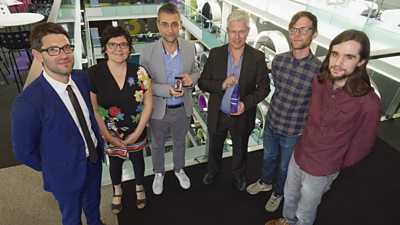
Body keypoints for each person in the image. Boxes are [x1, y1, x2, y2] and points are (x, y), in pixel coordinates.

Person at [265, 29, 382, 225]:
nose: (338, 63)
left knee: (306, 211)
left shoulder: (368, 103)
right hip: (299, 154)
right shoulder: (320, 82)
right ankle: (286, 221)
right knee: (289, 196)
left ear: (361, 61)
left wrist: (334, 163)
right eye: (335, 54)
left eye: (348, 57)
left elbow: (362, 145)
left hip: (322, 168)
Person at [12, 22, 105, 225]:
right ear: (38, 55)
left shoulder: (81, 78)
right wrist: (54, 167)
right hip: (64, 174)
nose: (63, 55)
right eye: (53, 50)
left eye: (66, 48)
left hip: (94, 161)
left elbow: (89, 115)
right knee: (72, 218)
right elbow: (23, 151)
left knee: (93, 206)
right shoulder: (28, 102)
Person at [246, 11, 321, 212]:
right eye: (293, 29)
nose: (297, 34)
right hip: (272, 122)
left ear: (314, 34)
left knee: (286, 167)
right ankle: (265, 182)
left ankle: (279, 192)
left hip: (294, 130)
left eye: (303, 29)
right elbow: (277, 88)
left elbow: (317, 104)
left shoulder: (319, 71)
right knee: (268, 157)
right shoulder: (279, 61)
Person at [199, 9, 270, 192]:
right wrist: (221, 85)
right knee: (214, 146)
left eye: (241, 32)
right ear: (227, 31)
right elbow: (203, 82)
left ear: (247, 32)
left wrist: (245, 104)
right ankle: (212, 171)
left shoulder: (257, 57)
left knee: (240, 148)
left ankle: (239, 175)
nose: (237, 36)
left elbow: (264, 88)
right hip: (219, 114)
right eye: (233, 32)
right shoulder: (215, 54)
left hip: (242, 115)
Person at [87, 25, 153, 213]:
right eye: (113, 44)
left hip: (137, 129)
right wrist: (107, 135)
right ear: (105, 47)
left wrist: (138, 132)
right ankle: (117, 190)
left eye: (123, 44)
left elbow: (149, 104)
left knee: (138, 159)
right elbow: (93, 109)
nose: (118, 48)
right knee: (114, 163)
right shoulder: (94, 73)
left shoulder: (140, 71)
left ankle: (139, 187)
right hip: (110, 132)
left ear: (130, 48)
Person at [139, 2, 200, 195]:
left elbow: (197, 71)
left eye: (174, 24)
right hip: (158, 109)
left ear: (180, 24)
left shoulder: (190, 48)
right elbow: (144, 85)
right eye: (165, 24)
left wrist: (193, 78)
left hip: (183, 108)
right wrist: (167, 90)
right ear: (158, 25)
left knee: (180, 142)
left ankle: (179, 169)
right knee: (157, 144)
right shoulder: (147, 52)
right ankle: (159, 173)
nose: (170, 29)